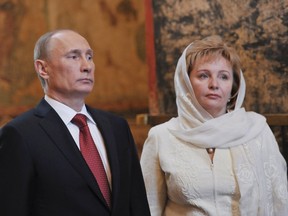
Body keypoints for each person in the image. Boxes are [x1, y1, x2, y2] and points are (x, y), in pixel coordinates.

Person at [0, 29, 150, 216]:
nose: (87, 66)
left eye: (89, 56)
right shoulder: (20, 134)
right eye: (73, 57)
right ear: (43, 69)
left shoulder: (117, 127)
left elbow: (137, 204)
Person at [140, 35, 288, 215]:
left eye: (224, 77)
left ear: (233, 86)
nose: (214, 84)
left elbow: (280, 202)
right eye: (203, 75)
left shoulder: (257, 131)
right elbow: (148, 208)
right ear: (186, 83)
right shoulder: (162, 136)